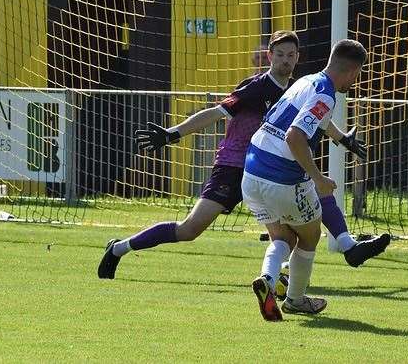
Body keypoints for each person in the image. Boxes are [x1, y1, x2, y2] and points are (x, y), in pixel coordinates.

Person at [97, 31, 389, 280]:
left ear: (298, 57)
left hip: (270, 170)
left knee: (297, 213)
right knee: (189, 229)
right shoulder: (256, 86)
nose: (285, 60)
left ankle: (327, 255)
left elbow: (316, 119)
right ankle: (119, 247)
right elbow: (215, 112)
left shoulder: (301, 86)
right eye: (280, 54)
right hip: (235, 166)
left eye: (291, 55)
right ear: (269, 56)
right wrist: (173, 133)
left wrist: (342, 139)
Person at [243, 39, 368, 320]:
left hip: (251, 172)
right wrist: (318, 177)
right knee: (310, 235)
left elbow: (309, 121)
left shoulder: (306, 81)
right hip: (281, 176)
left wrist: (341, 139)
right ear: (352, 72)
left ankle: (268, 278)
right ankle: (295, 300)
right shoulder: (326, 95)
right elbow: (295, 136)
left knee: (283, 236)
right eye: (357, 75)